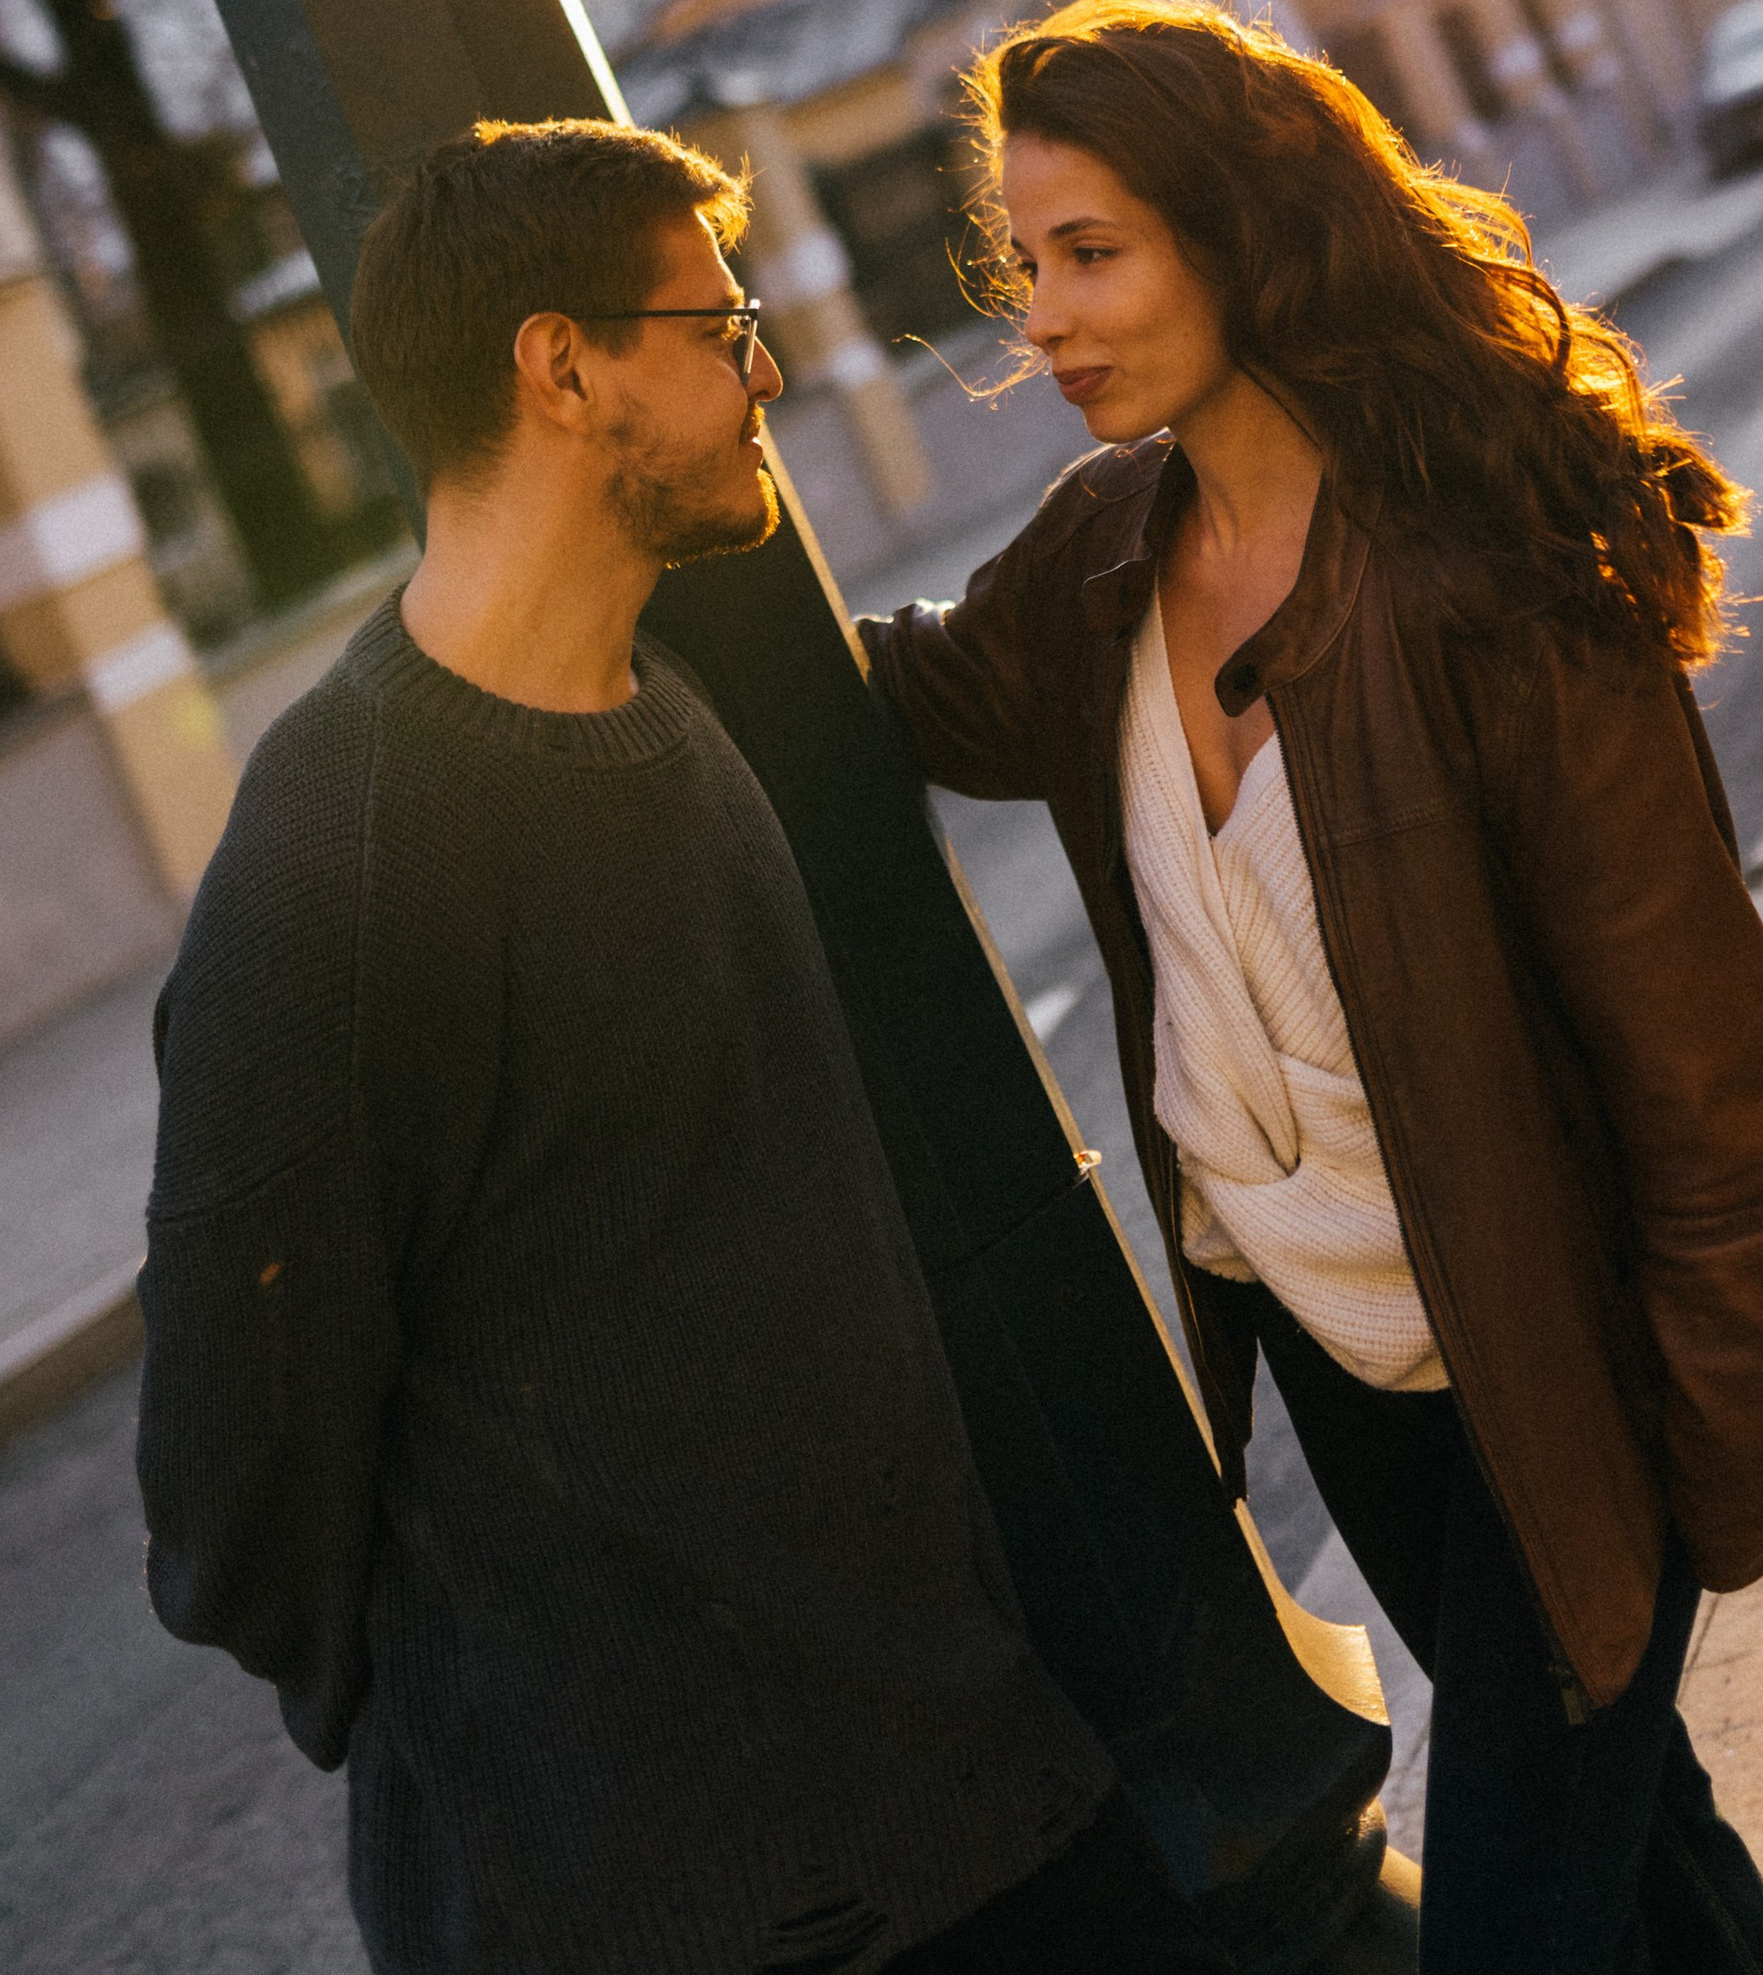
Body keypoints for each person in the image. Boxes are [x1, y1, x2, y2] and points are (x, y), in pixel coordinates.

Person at [136, 114, 1229, 1975]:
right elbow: (236, 1484)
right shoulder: (343, 851)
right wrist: (519, 1726)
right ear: (561, 368)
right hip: (660, 1900)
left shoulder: (678, 706)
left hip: (973, 1792)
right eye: (715, 330)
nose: (765, 369)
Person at [864, 0, 1763, 1975]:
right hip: (1345, 1375)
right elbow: (894, 695)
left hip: (1556, 1379)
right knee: (1638, 1848)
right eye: (1024, 265)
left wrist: (1707, 1457)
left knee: (1510, 1921)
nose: (1044, 322)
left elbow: (1708, 1068)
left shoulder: (1477, 565)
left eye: (1094, 256)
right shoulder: (1093, 563)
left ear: (1238, 234)